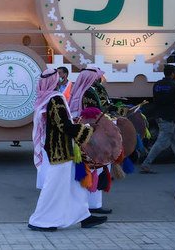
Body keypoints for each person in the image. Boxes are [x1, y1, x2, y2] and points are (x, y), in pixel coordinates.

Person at [28, 69, 106, 231]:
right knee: (54, 186)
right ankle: (40, 220)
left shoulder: (45, 98)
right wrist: (86, 130)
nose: (60, 81)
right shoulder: (55, 99)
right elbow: (64, 125)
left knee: (74, 185)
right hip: (60, 149)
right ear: (54, 82)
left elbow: (59, 122)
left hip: (58, 147)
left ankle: (84, 217)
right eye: (58, 79)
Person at [69, 67, 112, 215]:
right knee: (97, 168)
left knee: (88, 169)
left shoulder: (76, 92)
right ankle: (93, 205)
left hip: (80, 134)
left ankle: (85, 204)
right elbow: (95, 115)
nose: (97, 79)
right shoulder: (89, 92)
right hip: (91, 135)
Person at [140, 64, 175, 174]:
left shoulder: (157, 85)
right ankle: (146, 164)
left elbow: (156, 101)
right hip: (169, 118)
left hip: (158, 116)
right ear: (173, 73)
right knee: (161, 142)